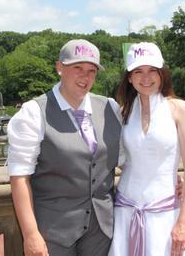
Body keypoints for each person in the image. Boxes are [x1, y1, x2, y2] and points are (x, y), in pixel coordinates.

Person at [7, 39, 121, 256]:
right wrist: (31, 234)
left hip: (102, 230)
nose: (85, 76)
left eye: (91, 70)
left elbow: (127, 157)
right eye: (77, 68)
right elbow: (19, 177)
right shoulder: (33, 112)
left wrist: (168, 177)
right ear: (59, 67)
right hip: (54, 232)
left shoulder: (110, 107)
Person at [108, 42, 185, 256]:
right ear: (129, 77)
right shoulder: (124, 112)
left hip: (165, 213)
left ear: (162, 73)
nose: (146, 78)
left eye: (152, 70)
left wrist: (183, 221)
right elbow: (122, 159)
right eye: (138, 71)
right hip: (126, 209)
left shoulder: (179, 109)